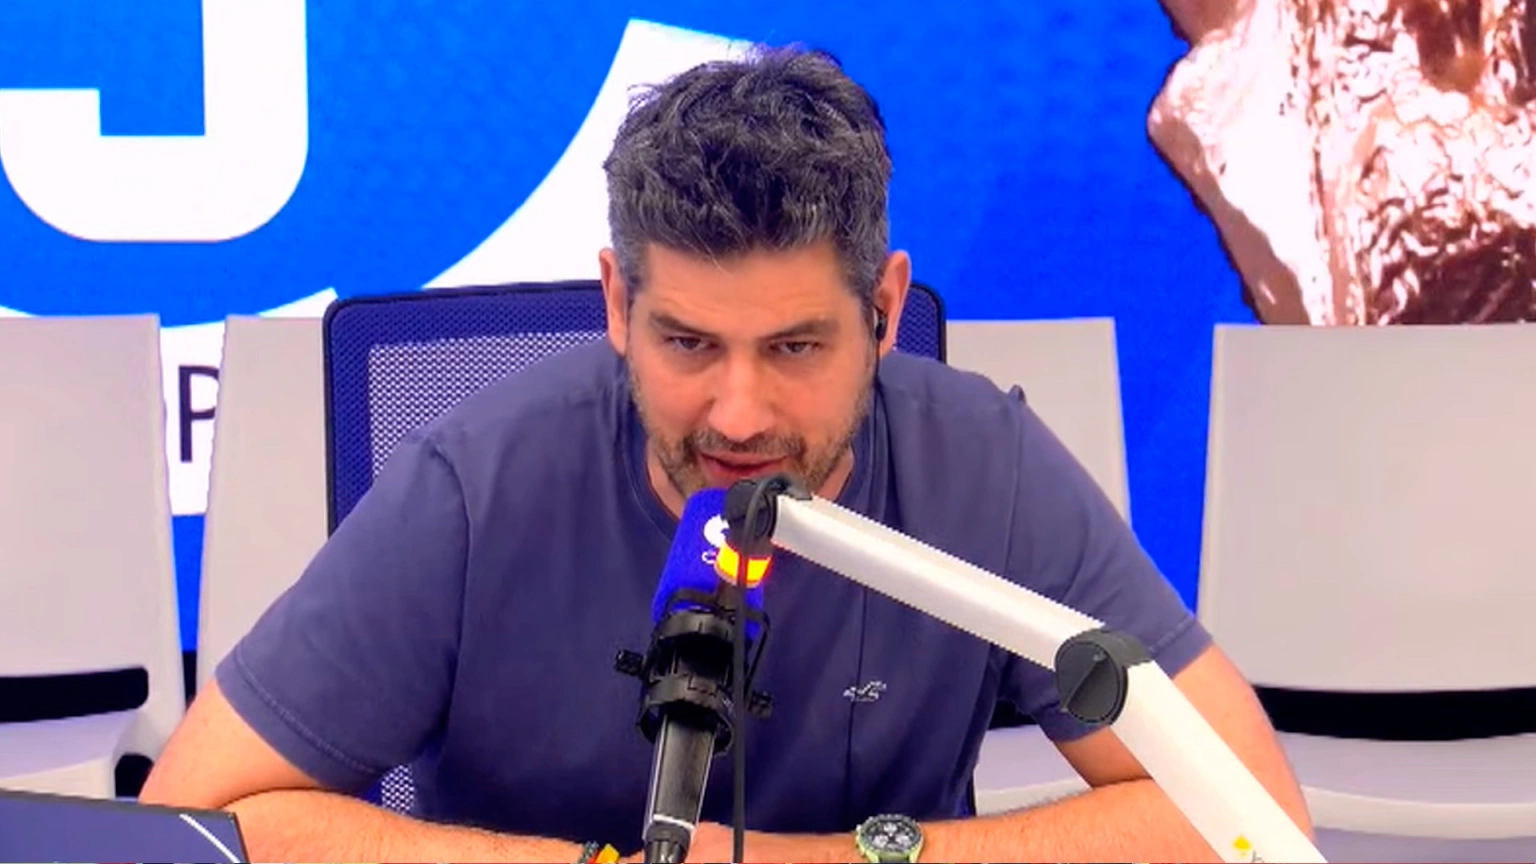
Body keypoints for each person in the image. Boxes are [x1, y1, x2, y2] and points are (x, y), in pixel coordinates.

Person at [140, 45, 1313, 862]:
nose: (739, 415)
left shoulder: (987, 469)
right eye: (689, 343)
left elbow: (1248, 821)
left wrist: (842, 863)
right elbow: (191, 820)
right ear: (617, 304)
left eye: (796, 346)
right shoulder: (476, 488)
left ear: (884, 312)